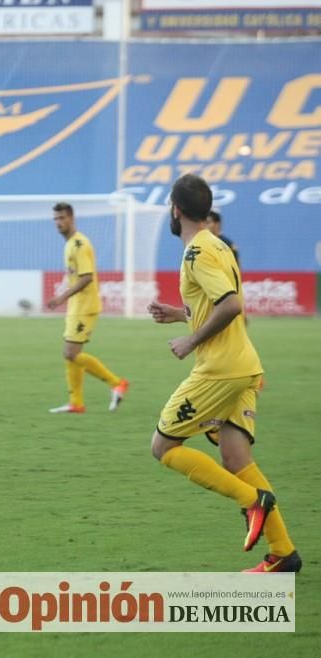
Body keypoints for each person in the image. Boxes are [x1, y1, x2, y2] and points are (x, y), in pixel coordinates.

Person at [147, 173, 299, 573]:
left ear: (176, 210)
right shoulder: (218, 245)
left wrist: (191, 339)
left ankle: (252, 502)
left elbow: (230, 305)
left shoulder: (197, 252)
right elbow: (220, 303)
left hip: (221, 370)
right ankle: (283, 553)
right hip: (244, 364)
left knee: (163, 447)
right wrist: (181, 314)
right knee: (236, 456)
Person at [45, 202, 129, 414]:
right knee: (70, 354)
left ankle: (117, 383)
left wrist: (61, 297)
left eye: (62, 218)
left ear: (72, 218)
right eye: (55, 219)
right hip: (77, 306)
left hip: (85, 306)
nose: (59, 222)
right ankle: (76, 403)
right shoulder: (70, 244)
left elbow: (86, 278)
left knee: (70, 352)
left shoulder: (80, 244)